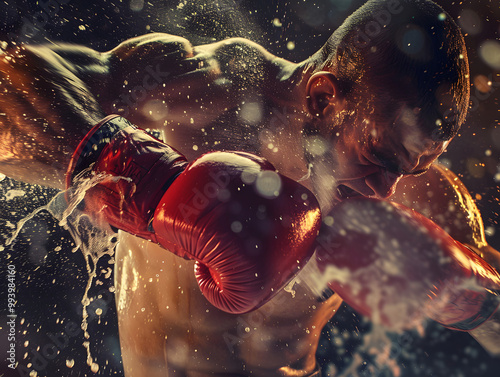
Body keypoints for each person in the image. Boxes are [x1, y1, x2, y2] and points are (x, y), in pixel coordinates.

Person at [1, 0, 499, 376]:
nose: (388, 192)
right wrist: (148, 181)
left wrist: (474, 302)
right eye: (379, 158)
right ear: (325, 97)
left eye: (410, 169)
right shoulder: (211, 94)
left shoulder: (427, 200)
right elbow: (10, 81)